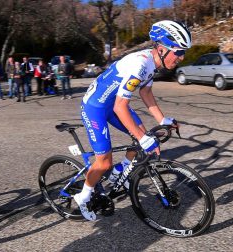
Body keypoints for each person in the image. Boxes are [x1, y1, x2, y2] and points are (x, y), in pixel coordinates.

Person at [74, 20, 191, 221]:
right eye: (178, 52)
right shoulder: (140, 64)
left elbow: (146, 93)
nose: (181, 57)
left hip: (112, 105)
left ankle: (119, 172)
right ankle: (83, 196)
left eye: (183, 53)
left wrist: (163, 119)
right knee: (104, 162)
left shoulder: (153, 64)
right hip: (95, 108)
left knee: (141, 139)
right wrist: (144, 138)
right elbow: (120, 107)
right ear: (162, 49)